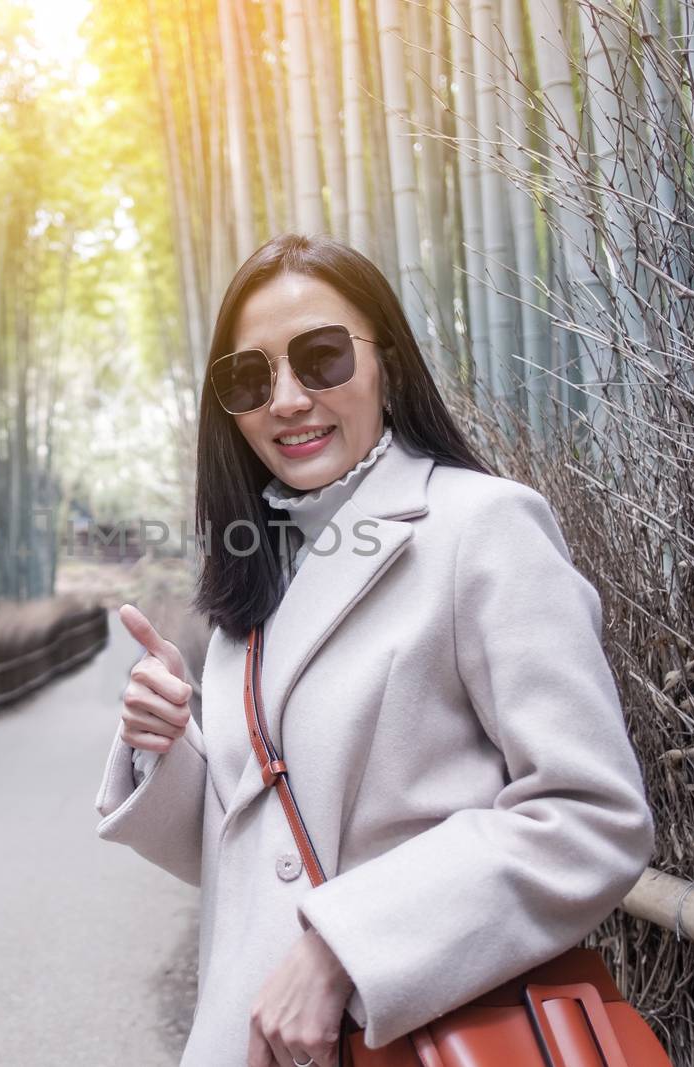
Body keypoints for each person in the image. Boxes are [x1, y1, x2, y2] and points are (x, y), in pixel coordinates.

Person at [95, 233, 655, 1067]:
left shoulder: (481, 527)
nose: (286, 398)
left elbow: (591, 817)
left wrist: (345, 946)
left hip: (417, 1038)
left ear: (386, 363)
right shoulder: (258, 573)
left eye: (320, 358)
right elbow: (252, 866)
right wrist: (166, 744)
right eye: (251, 377)